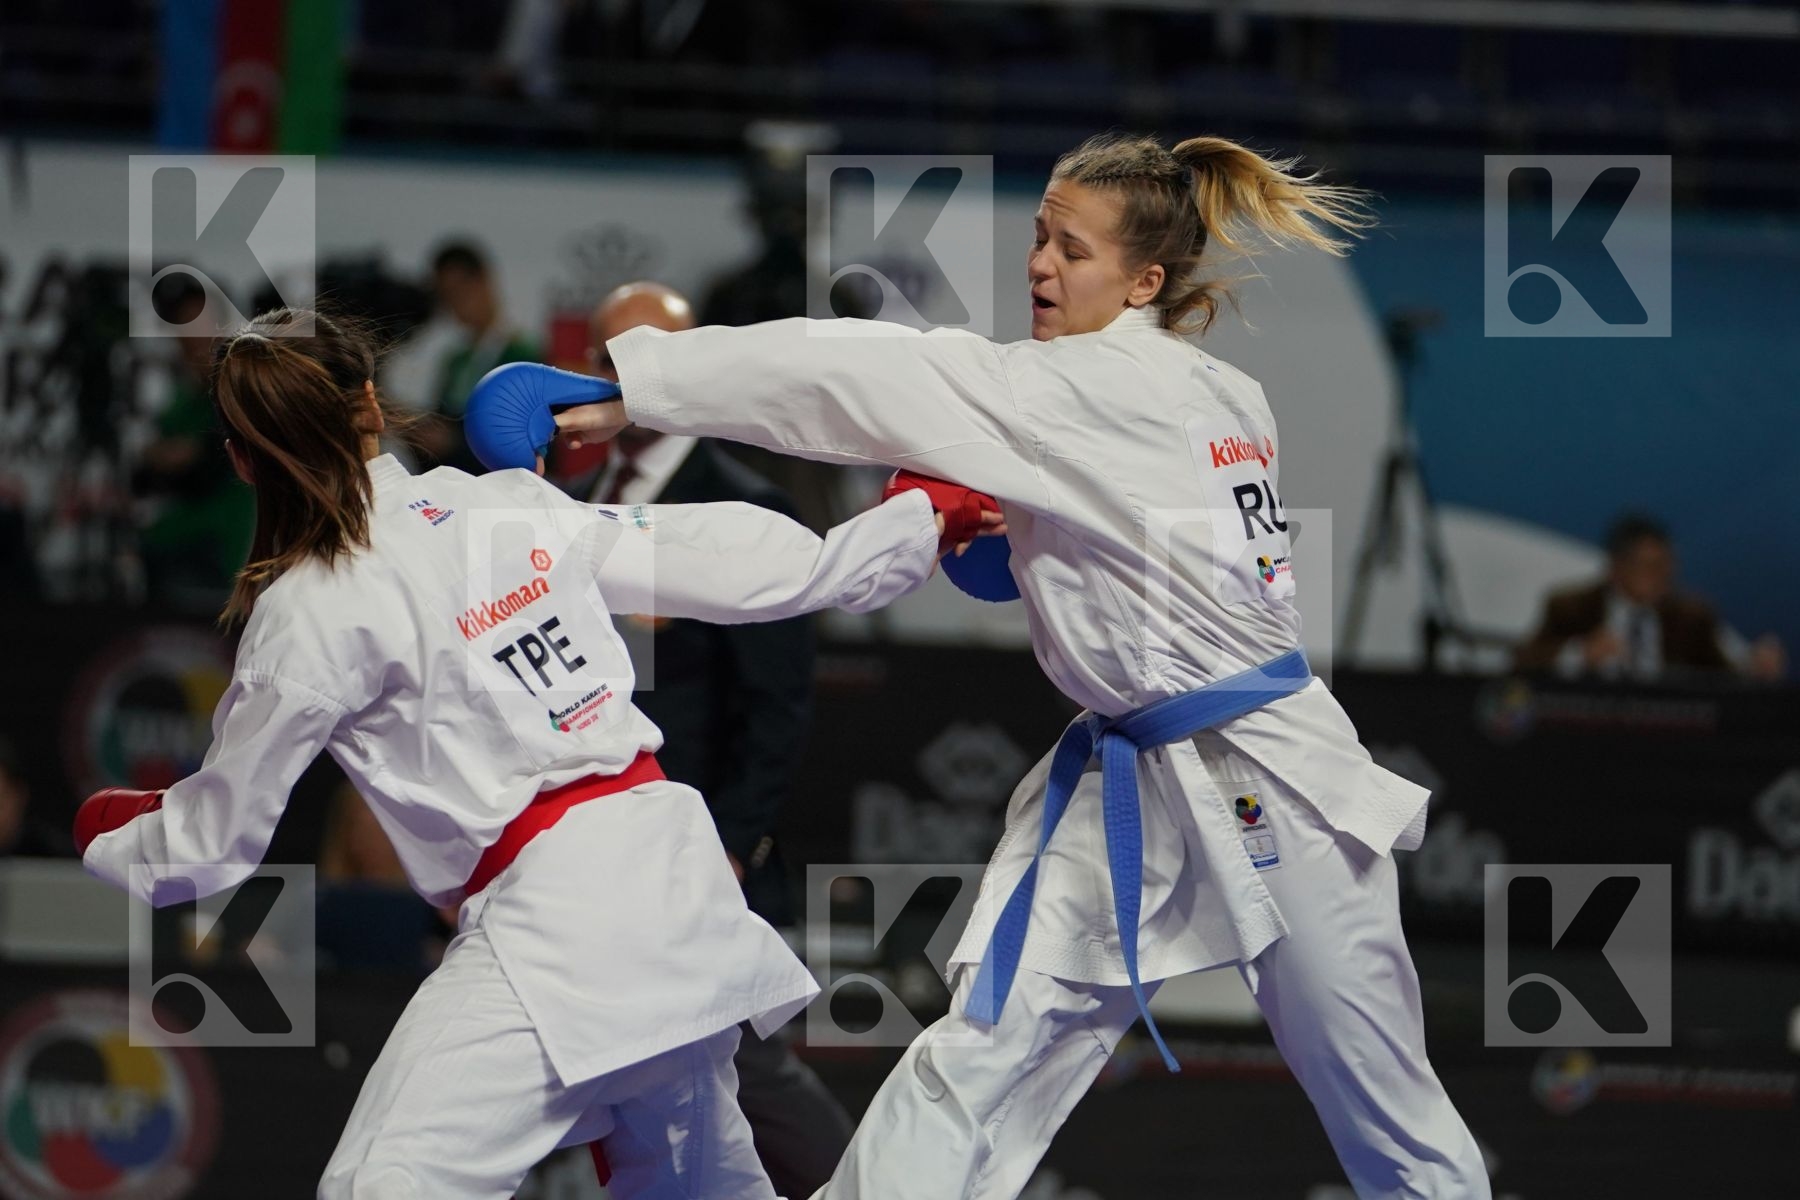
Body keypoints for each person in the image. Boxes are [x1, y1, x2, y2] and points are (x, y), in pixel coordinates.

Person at [553, 132, 1490, 1198]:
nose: (1040, 265)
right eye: (1041, 237)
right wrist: (1024, 538)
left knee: (1379, 1098)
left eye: (1072, 251)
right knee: (984, 1050)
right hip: (1129, 772)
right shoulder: (1221, 392)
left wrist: (639, 386)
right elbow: (1152, 549)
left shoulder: (1073, 389)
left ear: (1143, 280)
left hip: (1265, 777)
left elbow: (853, 368)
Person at [71, 308, 993, 1199]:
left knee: (383, 1185)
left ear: (239, 460)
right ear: (369, 400)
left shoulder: (306, 612)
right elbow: (753, 563)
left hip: (556, 922)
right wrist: (920, 517)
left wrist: (111, 833)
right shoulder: (505, 504)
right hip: (668, 882)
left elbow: (210, 847)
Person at [579, 281, 857, 1196]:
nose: (632, 377)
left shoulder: (748, 511)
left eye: (656, 357)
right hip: (588, 834)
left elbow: (777, 707)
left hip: (698, 844)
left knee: (738, 1062)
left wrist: (736, 842)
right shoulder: (567, 499)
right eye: (614, 357)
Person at [1515, 511, 1787, 682]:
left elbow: (1722, 677)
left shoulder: (1691, 617)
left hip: (1667, 739)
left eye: (1666, 566)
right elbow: (1522, 663)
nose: (1661, 576)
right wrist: (1579, 655)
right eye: (1648, 566)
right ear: (1616, 568)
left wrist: (1754, 669)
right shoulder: (1572, 607)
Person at [423, 241, 540, 475]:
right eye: (446, 296)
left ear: (484, 281)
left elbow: (527, 435)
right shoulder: (456, 360)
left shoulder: (524, 354)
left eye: (460, 291)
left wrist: (454, 443)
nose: (456, 305)